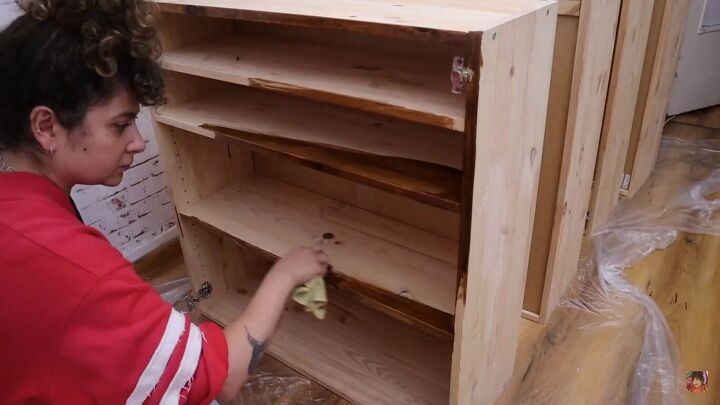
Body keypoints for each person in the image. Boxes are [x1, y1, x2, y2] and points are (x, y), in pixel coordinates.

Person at [0, 0, 328, 403]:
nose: (138, 142)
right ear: (46, 127)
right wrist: (285, 274)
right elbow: (221, 379)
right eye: (120, 125)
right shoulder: (76, 269)